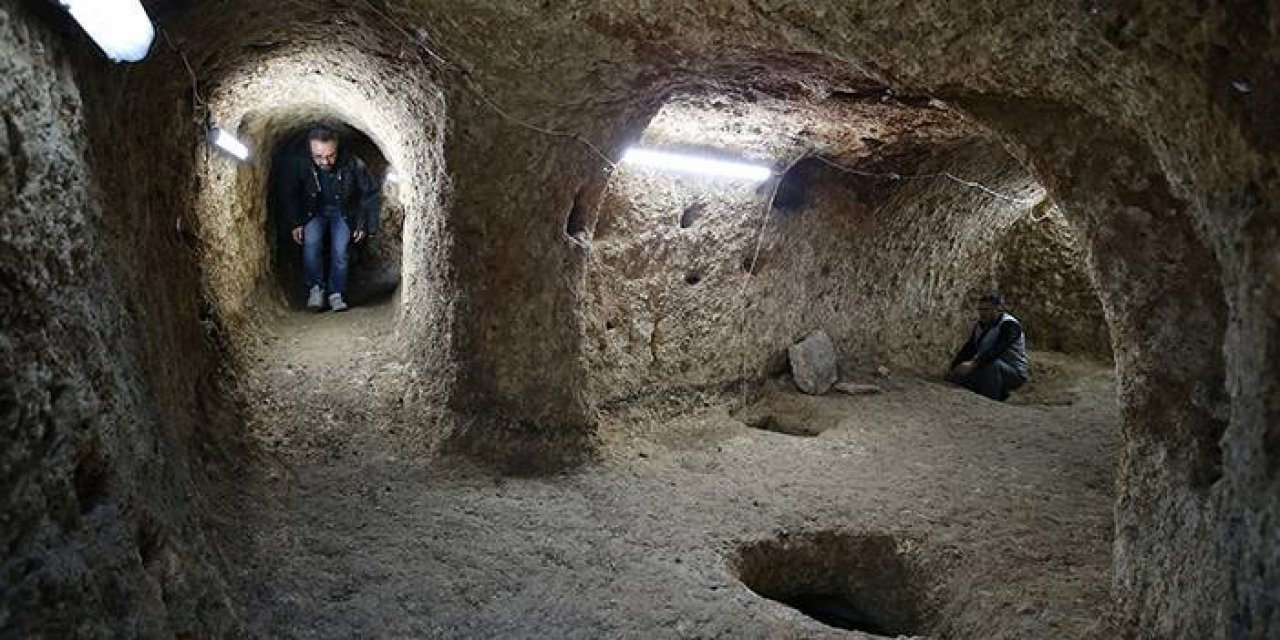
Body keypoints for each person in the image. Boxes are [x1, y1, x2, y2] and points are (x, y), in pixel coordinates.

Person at [284, 125, 380, 312]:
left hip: (343, 211)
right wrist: (295, 222)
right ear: (310, 150)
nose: (325, 161)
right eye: (318, 156)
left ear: (337, 148)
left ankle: (337, 293)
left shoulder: (352, 163)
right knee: (311, 246)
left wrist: (363, 224)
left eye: (330, 156)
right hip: (313, 210)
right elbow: (291, 194)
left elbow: (369, 194)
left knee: (340, 251)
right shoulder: (301, 162)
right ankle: (316, 289)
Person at [946, 293, 1029, 401]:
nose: (982, 313)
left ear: (997, 310)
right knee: (960, 377)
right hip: (987, 365)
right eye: (980, 309)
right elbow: (970, 348)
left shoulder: (1010, 325)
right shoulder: (981, 325)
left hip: (1014, 372)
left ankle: (990, 399)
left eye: (986, 310)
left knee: (992, 365)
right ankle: (999, 392)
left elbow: (998, 349)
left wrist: (974, 363)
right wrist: (954, 367)